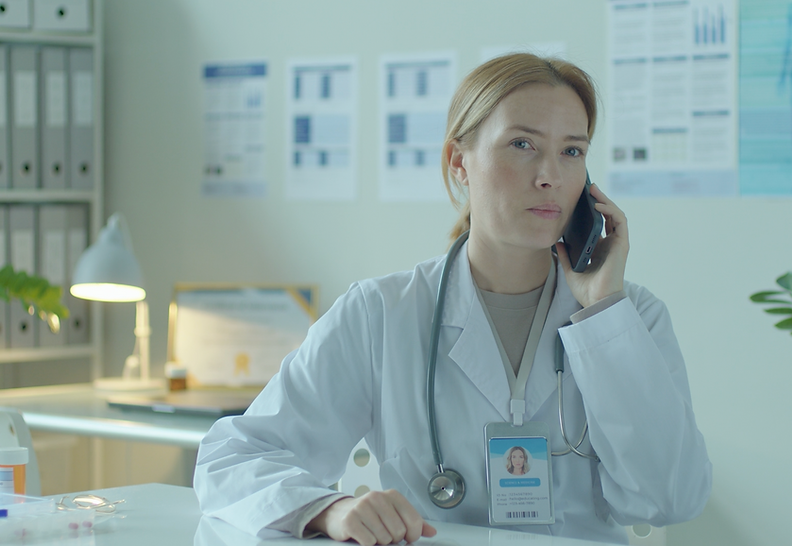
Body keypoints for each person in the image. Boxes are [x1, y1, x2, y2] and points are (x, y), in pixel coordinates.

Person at [194, 52, 712, 546]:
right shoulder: (382, 314)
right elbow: (231, 458)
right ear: (458, 160)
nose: (550, 175)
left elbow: (669, 500)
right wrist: (325, 509)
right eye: (522, 145)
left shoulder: (631, 317)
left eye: (572, 151)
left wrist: (602, 316)